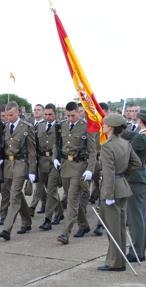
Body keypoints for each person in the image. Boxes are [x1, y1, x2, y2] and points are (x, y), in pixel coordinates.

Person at [97, 113, 141, 272]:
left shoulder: (108, 146)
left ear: (111, 127)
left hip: (112, 190)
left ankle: (116, 263)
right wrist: (122, 174)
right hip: (122, 186)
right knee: (120, 226)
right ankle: (118, 259)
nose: (103, 126)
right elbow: (137, 163)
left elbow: (108, 173)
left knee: (113, 227)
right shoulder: (125, 143)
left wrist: (108, 195)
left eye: (105, 124)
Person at [56, 102, 97, 245]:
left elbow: (93, 151)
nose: (70, 118)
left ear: (79, 112)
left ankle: (65, 233)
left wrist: (90, 169)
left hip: (80, 167)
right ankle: (84, 225)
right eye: (67, 115)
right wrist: (56, 158)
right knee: (74, 200)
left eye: (72, 115)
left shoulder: (87, 127)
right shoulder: (63, 125)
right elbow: (58, 143)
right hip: (66, 166)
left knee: (72, 199)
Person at [0, 101, 36, 241]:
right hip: (8, 163)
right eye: (6, 115)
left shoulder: (26, 127)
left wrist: (32, 170)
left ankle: (7, 229)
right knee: (13, 192)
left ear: (18, 113)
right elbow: (3, 146)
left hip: (21, 164)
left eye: (11, 115)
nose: (8, 117)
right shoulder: (6, 127)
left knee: (14, 196)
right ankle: (27, 221)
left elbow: (32, 151)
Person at [126, 109, 146, 262]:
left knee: (135, 219)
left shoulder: (142, 138)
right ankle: (139, 251)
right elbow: (132, 135)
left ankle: (136, 252)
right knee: (139, 217)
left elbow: (128, 147)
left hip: (135, 180)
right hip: (139, 179)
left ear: (140, 120)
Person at [36, 104, 62, 231]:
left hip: (54, 162)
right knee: (42, 189)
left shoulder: (60, 127)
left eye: (50, 114)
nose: (48, 117)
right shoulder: (39, 126)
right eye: (46, 114)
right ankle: (60, 212)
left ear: (55, 114)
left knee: (51, 189)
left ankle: (48, 219)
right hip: (42, 162)